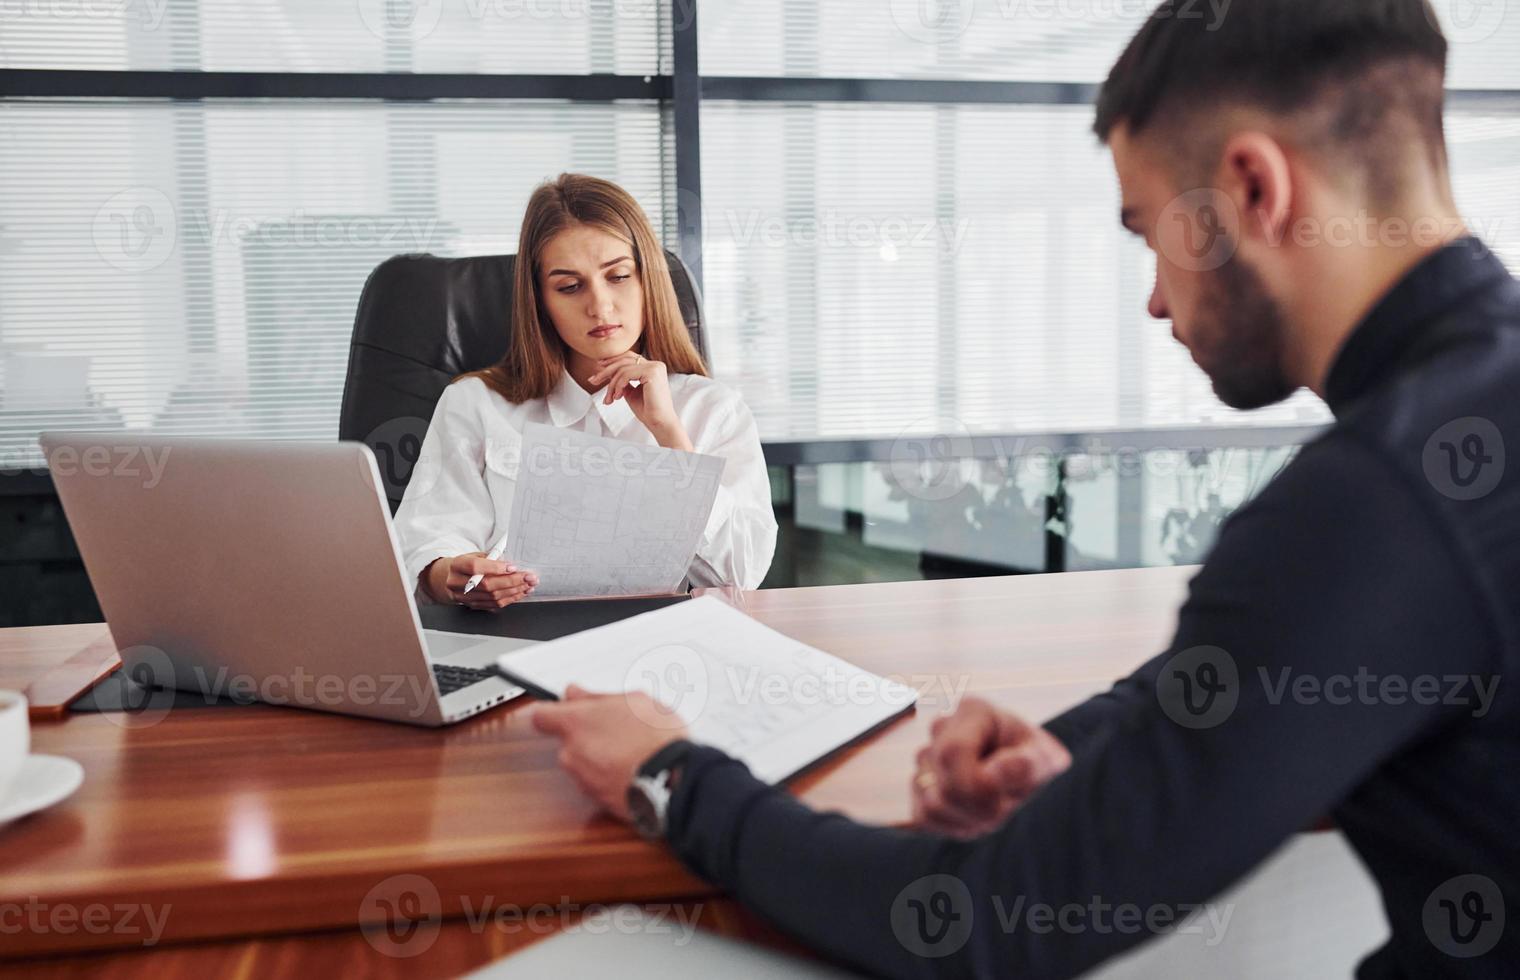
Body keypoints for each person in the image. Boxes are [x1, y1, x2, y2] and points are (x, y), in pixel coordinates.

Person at [528, 1, 1519, 976]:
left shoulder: (1378, 497)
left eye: (1147, 235)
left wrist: (671, 775)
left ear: (1253, 188)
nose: (1155, 298)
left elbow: (980, 920)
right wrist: (1076, 747)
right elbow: (1253, 666)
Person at [394, 174, 778, 609]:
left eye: (617, 276)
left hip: (658, 647)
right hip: (515, 639)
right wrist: (454, 576)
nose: (599, 305)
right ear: (540, 300)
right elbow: (423, 547)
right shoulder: (476, 402)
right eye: (569, 287)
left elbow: (740, 576)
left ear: (646, 280)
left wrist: (670, 435)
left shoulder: (712, 410)